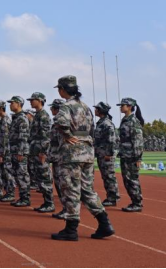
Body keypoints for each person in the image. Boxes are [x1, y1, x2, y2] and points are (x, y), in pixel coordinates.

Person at [51, 75, 114, 242]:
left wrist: (67, 135)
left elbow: (60, 122)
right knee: (87, 190)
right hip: (87, 151)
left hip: (72, 153)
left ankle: (71, 229)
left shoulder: (67, 106)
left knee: (71, 189)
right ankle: (104, 223)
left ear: (63, 90)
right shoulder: (85, 107)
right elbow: (91, 128)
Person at [27, 93, 55, 213]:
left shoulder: (43, 116)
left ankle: (50, 203)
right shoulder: (38, 115)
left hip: (40, 152)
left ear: (40, 101)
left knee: (44, 177)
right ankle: (46, 202)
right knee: (40, 178)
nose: (31, 102)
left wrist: (43, 152)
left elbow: (46, 136)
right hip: (36, 151)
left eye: (33, 100)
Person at [117, 98, 145, 213]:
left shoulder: (133, 121)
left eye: (123, 105)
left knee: (132, 180)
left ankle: (137, 203)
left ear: (129, 107)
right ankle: (134, 202)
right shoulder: (125, 120)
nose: (121, 107)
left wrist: (138, 158)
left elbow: (138, 140)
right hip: (125, 154)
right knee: (127, 180)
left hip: (132, 156)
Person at [93, 102, 120, 207]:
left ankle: (113, 198)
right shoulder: (101, 122)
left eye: (97, 109)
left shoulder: (107, 124)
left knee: (109, 176)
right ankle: (110, 197)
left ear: (101, 111)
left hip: (106, 155)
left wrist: (109, 153)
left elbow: (111, 140)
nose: (95, 110)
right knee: (106, 176)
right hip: (101, 154)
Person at [7, 97, 31, 208]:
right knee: (18, 175)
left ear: (18, 104)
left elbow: (23, 137)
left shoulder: (21, 118)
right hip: (15, 150)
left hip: (20, 151)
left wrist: (21, 152)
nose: (10, 105)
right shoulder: (16, 118)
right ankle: (22, 197)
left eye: (12, 103)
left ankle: (25, 198)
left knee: (22, 175)